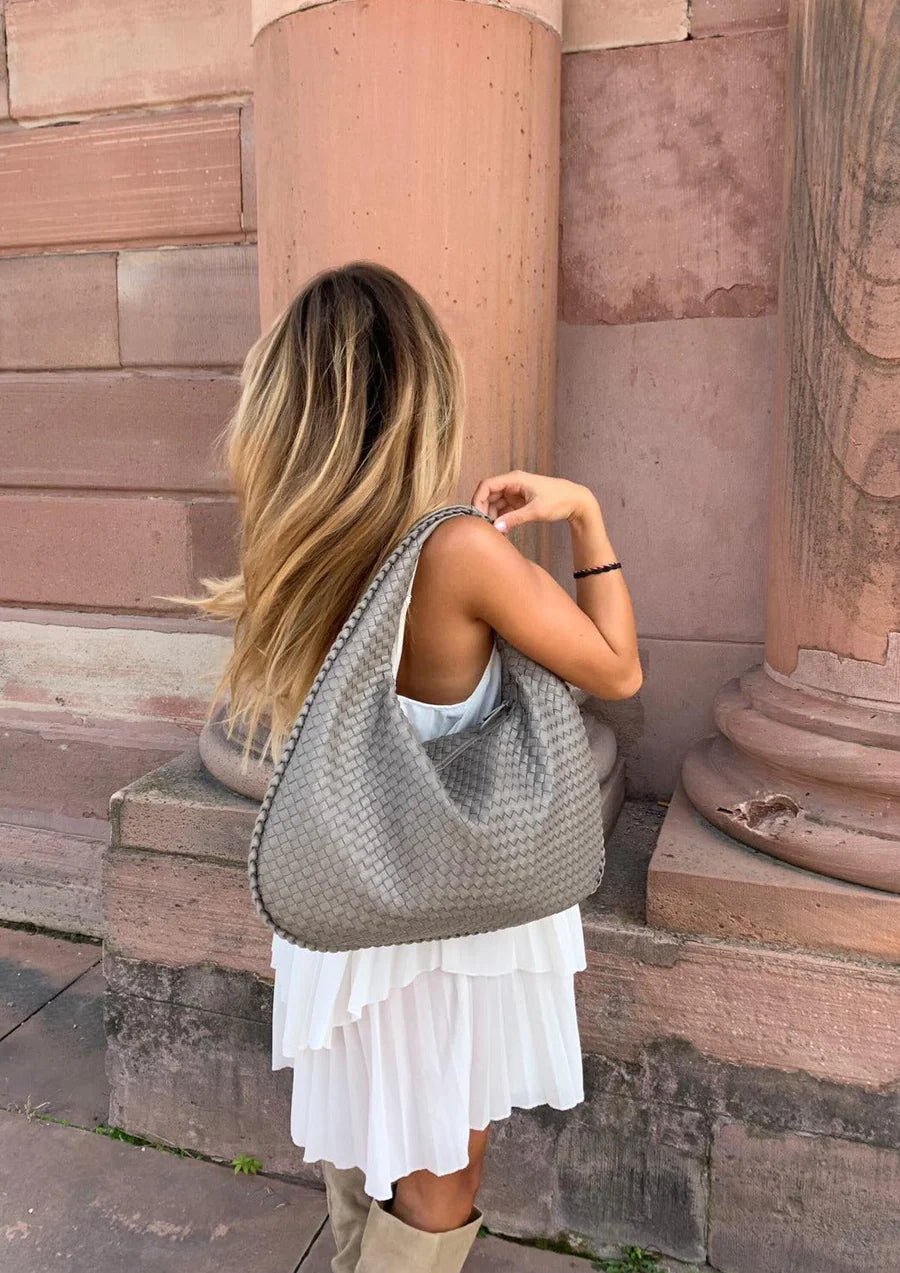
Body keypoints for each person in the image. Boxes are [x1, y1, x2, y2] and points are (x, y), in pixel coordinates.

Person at [191, 261, 641, 1272]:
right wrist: (586, 517)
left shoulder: (299, 550)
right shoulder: (459, 552)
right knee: (439, 1176)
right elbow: (617, 667)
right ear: (419, 395)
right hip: (451, 914)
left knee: (377, 1145)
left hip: (354, 903)